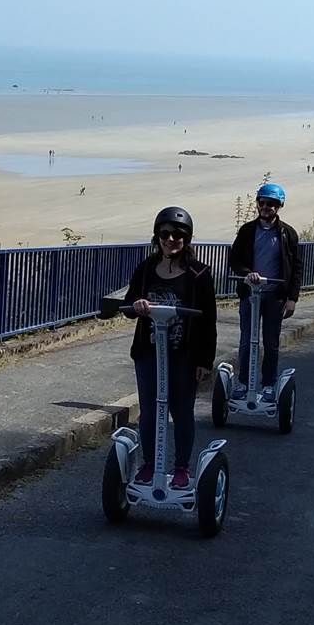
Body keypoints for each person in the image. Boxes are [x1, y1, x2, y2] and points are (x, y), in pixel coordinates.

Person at [123, 206, 217, 491]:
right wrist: (138, 307)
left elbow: (208, 319)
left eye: (178, 234)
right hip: (148, 352)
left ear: (187, 238)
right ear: (157, 236)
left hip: (183, 354)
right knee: (150, 411)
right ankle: (150, 465)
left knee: (182, 410)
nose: (171, 239)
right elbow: (128, 305)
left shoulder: (198, 274)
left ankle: (181, 469)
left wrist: (204, 360)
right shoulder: (146, 269)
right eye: (165, 234)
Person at [228, 183, 302, 401]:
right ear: (258, 204)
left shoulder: (288, 233)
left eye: (271, 204)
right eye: (262, 203)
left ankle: (268, 384)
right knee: (247, 341)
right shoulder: (247, 231)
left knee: (271, 342)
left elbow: (296, 267)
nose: (266, 207)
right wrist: (248, 273)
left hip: (275, 296)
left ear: (279, 206)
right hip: (251, 294)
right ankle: (243, 383)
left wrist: (292, 299)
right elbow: (235, 260)